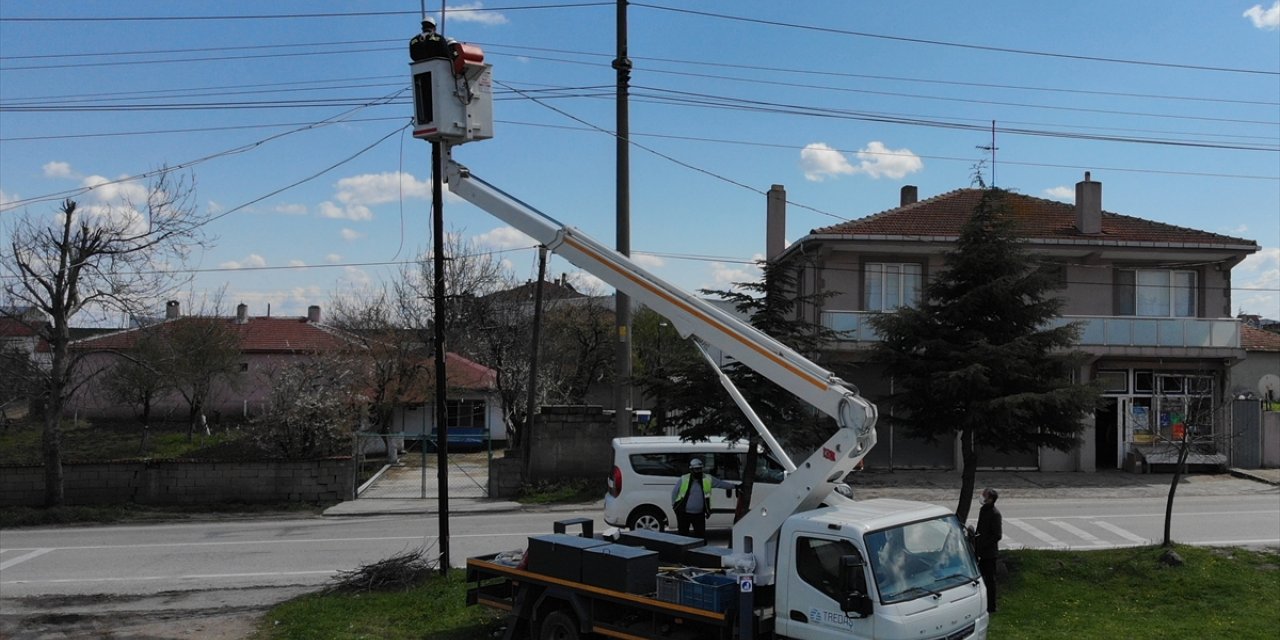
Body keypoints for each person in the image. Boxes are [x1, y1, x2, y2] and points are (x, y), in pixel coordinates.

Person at [670, 458, 735, 538]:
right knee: (683, 536)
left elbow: (721, 484)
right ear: (691, 469)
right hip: (684, 513)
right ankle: (683, 551)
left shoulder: (707, 478)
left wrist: (735, 486)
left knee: (700, 537)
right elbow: (674, 492)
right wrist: (674, 505)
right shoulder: (684, 479)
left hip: (699, 514)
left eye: (700, 469)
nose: (698, 471)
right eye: (696, 469)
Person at [974, 487, 1003, 614]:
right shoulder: (983, 510)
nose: (982, 497)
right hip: (980, 550)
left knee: (990, 580)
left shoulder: (995, 514)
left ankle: (992, 606)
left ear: (991, 499)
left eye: (985, 495)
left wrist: (984, 544)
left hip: (989, 553)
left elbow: (997, 535)